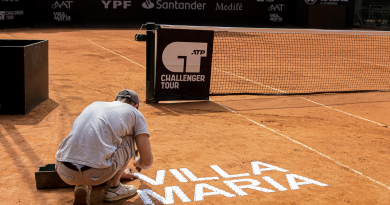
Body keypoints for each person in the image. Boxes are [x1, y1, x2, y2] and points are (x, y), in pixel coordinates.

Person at [55, 89, 153, 205]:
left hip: (64, 171)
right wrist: (137, 162)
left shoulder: (94, 105)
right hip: (95, 173)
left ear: (116, 100)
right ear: (135, 106)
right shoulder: (135, 113)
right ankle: (114, 188)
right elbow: (147, 162)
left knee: (88, 139)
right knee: (129, 136)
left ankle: (82, 185)